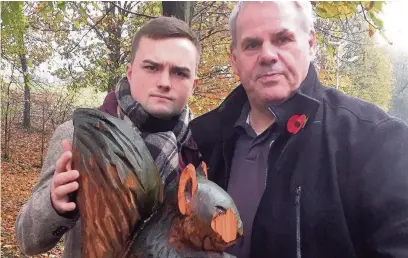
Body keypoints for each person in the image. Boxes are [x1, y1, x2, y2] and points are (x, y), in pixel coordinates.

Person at [189, 1, 408, 258]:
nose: (268, 55)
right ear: (234, 59)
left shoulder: (377, 142)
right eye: (252, 44)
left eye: (282, 39)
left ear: (311, 44)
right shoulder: (200, 141)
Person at [15, 16, 202, 258]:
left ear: (194, 84)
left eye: (179, 72)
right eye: (151, 67)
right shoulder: (79, 136)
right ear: (131, 72)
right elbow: (27, 241)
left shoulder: (203, 145)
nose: (164, 82)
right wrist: (54, 203)